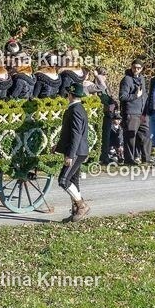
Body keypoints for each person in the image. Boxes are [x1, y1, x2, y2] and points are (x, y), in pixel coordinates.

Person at [54, 82, 91, 222]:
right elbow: (69, 133)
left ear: (70, 95)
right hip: (78, 150)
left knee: (63, 180)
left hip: (76, 151)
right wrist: (59, 146)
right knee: (73, 181)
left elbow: (76, 135)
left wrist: (70, 155)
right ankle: (76, 212)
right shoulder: (78, 108)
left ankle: (81, 205)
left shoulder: (75, 110)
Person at [119, 59, 148, 164]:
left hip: (142, 113)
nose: (136, 69)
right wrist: (135, 96)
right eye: (134, 67)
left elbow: (144, 95)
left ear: (142, 69)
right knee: (130, 138)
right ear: (131, 67)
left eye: (139, 68)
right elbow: (122, 97)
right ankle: (129, 160)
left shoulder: (142, 79)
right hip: (131, 112)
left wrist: (146, 109)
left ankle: (146, 159)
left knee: (145, 135)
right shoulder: (126, 79)